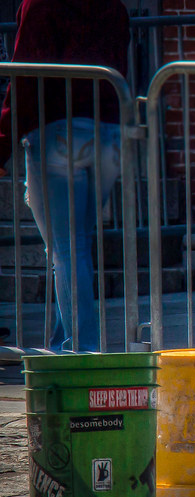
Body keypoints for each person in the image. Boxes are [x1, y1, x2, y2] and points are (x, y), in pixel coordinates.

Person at [0, 0, 130, 353]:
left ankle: (80, 349)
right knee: (74, 247)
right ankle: (65, 344)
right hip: (106, 132)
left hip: (58, 130)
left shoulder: (39, 5)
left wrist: (3, 142)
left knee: (66, 249)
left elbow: (25, 77)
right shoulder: (113, 7)